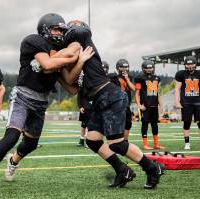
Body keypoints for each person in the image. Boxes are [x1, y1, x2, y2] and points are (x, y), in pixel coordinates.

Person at [0, 13, 89, 195]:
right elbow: (47, 64)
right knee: (11, 137)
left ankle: (13, 161)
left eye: (61, 30)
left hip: (41, 102)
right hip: (23, 95)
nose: (58, 33)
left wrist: (79, 62)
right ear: (45, 29)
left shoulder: (58, 50)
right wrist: (72, 57)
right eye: (55, 29)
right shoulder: (33, 41)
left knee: (30, 144)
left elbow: (70, 86)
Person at [64, 20, 164, 189]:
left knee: (116, 143)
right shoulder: (76, 55)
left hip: (110, 96)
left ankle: (152, 168)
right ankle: (122, 170)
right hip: (99, 99)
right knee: (93, 140)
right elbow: (69, 83)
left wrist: (49, 56)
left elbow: (69, 50)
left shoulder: (82, 42)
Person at [174, 56, 200, 150]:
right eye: (188, 64)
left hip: (198, 102)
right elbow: (177, 89)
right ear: (185, 65)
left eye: (192, 64)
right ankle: (187, 143)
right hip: (186, 102)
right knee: (187, 123)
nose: (190, 66)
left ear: (195, 64)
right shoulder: (180, 74)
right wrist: (177, 102)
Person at [134, 60, 164, 150]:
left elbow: (157, 92)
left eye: (150, 67)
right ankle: (145, 144)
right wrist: (139, 105)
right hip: (146, 106)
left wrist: (161, 104)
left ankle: (156, 143)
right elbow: (137, 93)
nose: (149, 69)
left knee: (155, 125)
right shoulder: (140, 78)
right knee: (145, 124)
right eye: (147, 68)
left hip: (154, 106)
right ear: (143, 69)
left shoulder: (157, 78)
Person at [108, 59, 135, 141]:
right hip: (117, 105)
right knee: (117, 124)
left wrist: (127, 79)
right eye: (122, 67)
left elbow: (133, 88)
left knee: (128, 123)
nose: (124, 69)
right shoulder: (114, 78)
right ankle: (116, 140)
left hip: (126, 105)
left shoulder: (129, 77)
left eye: (126, 67)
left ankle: (125, 140)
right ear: (118, 68)